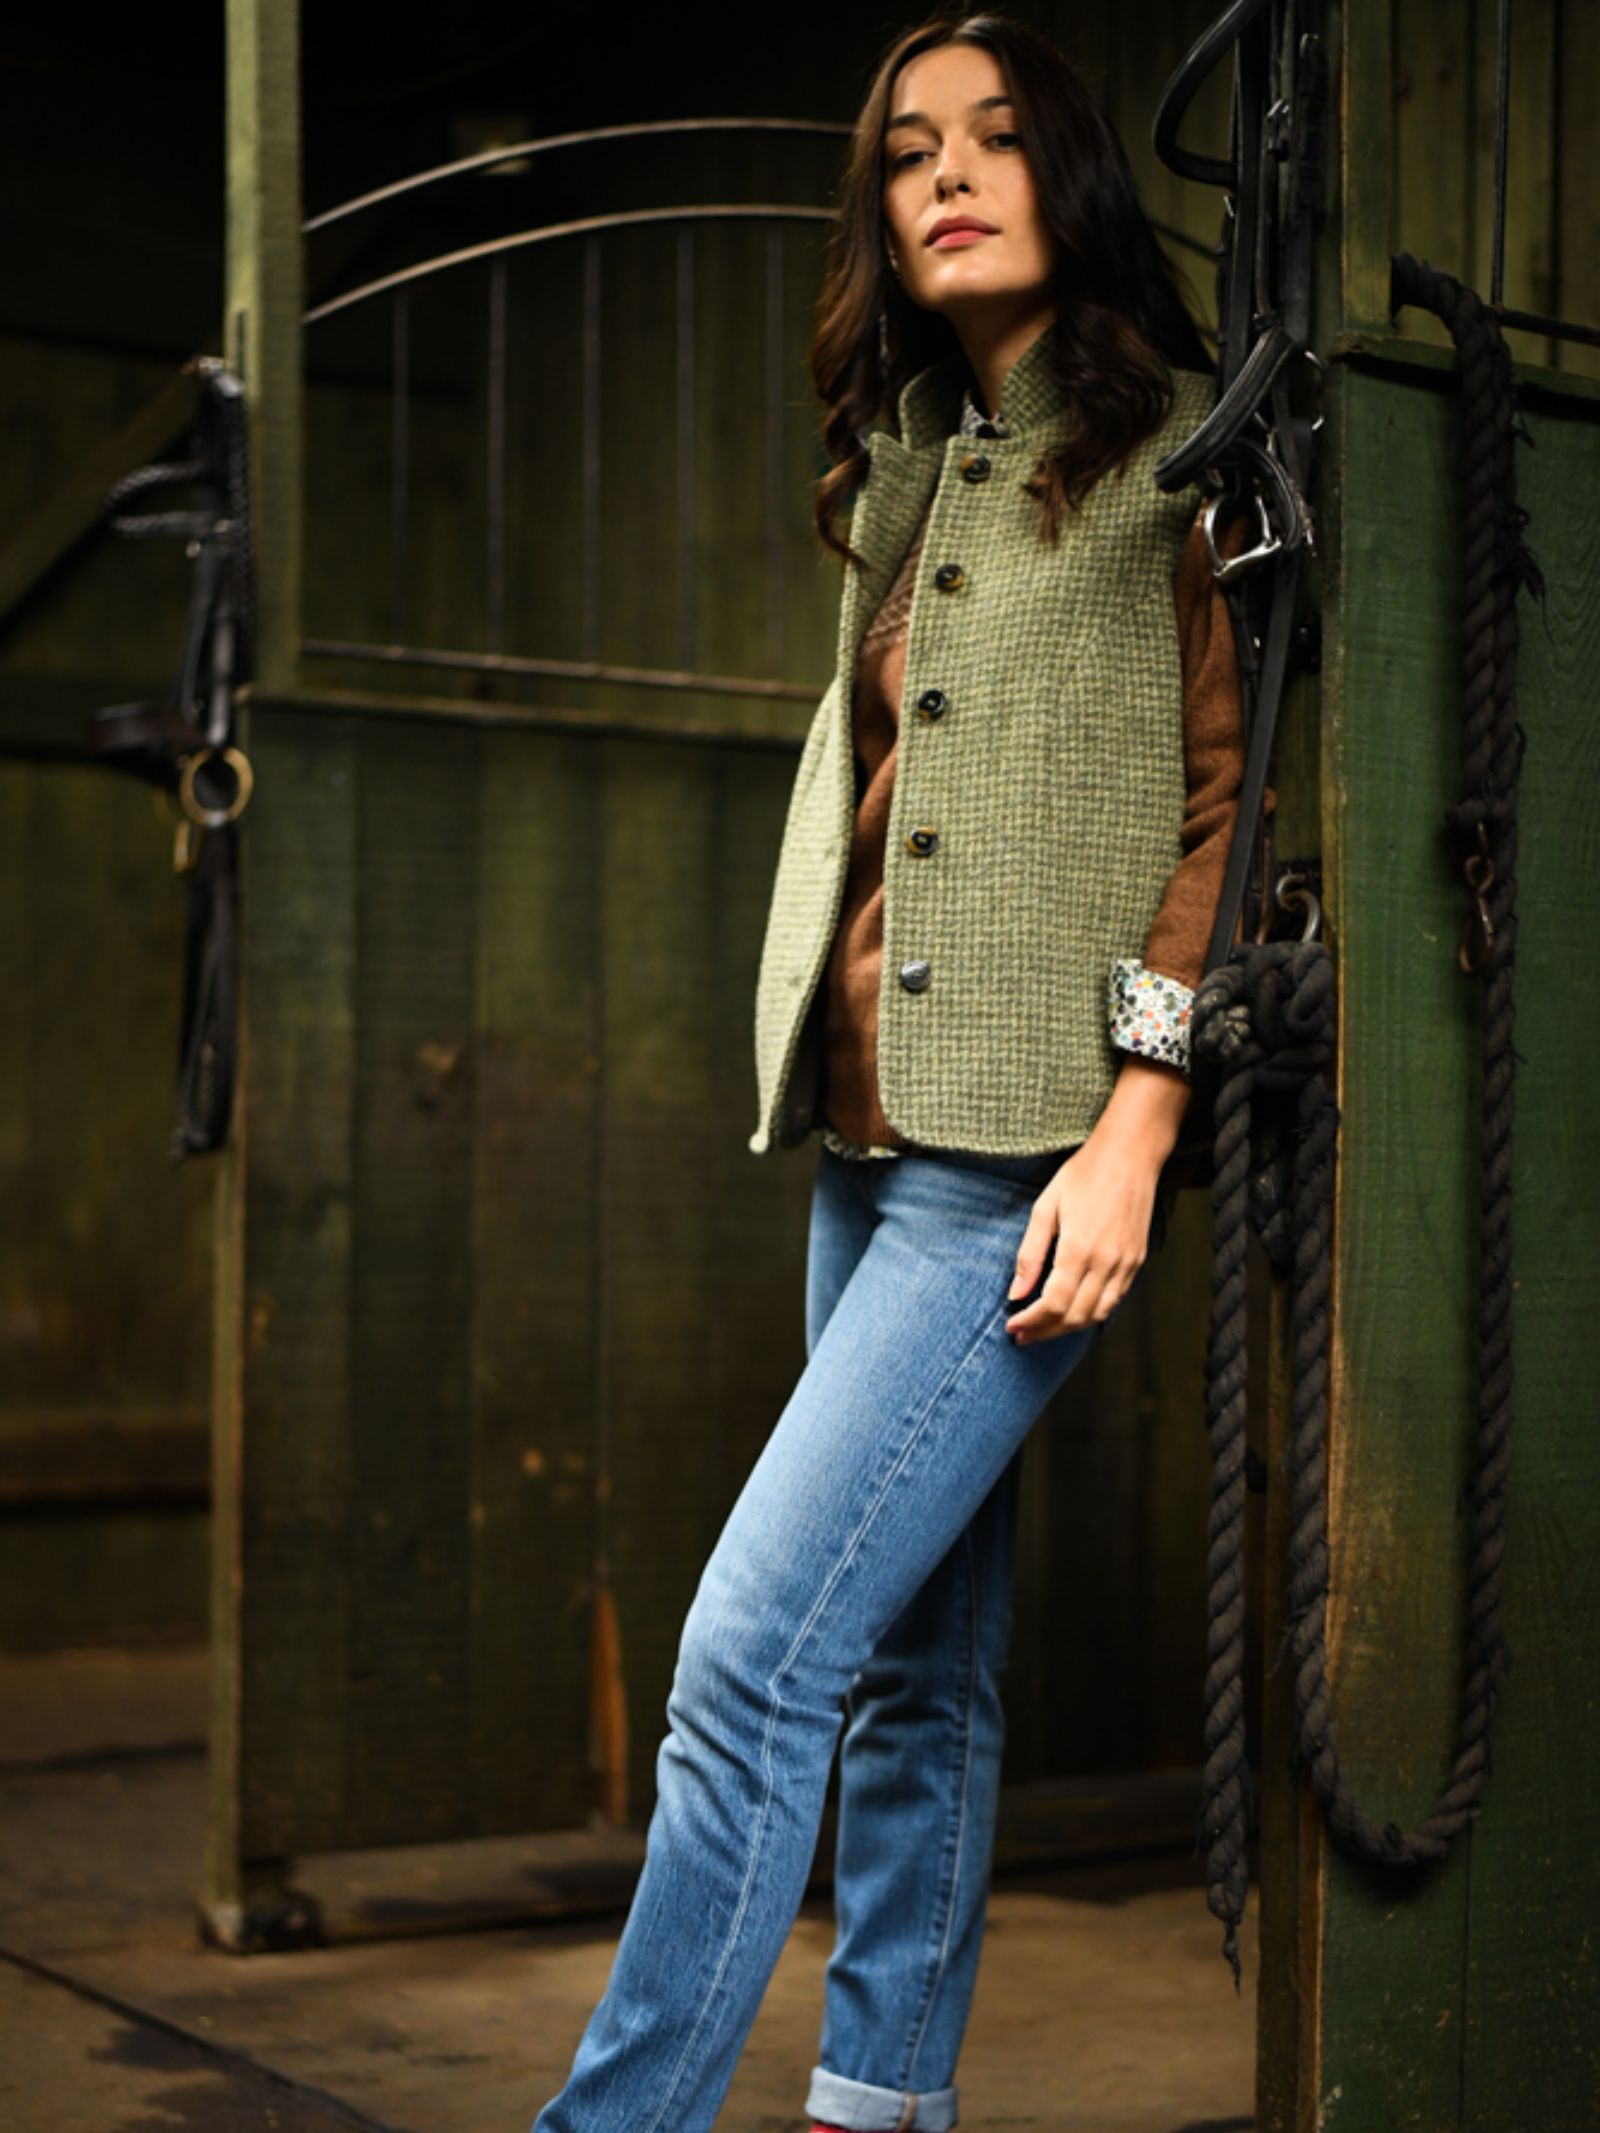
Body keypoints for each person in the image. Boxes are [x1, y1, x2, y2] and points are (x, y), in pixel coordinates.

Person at [531, 13, 1256, 2132]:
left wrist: (1139, 1124)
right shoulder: (906, 468)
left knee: (749, 1660)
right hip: (862, 1138)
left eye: (994, 138)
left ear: (1072, 174)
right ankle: (882, 2108)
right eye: (909, 148)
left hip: (1014, 1162)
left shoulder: (1184, 452)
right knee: (916, 1674)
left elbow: (1235, 810)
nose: (944, 173)